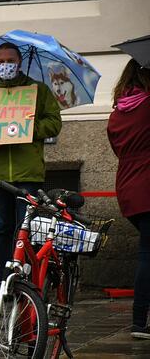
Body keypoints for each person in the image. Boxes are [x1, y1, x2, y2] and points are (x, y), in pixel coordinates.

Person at [0, 42, 61, 282]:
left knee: (24, 230)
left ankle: (25, 279)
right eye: (1, 61)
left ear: (19, 63)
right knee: (3, 229)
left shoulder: (39, 91)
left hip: (28, 173)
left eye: (10, 61)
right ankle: (3, 280)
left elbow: (54, 123)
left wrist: (26, 128)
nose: (6, 65)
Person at [107, 58, 150, 339]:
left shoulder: (118, 112)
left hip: (129, 187)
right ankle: (139, 321)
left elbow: (116, 147)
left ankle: (139, 321)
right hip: (148, 183)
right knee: (147, 254)